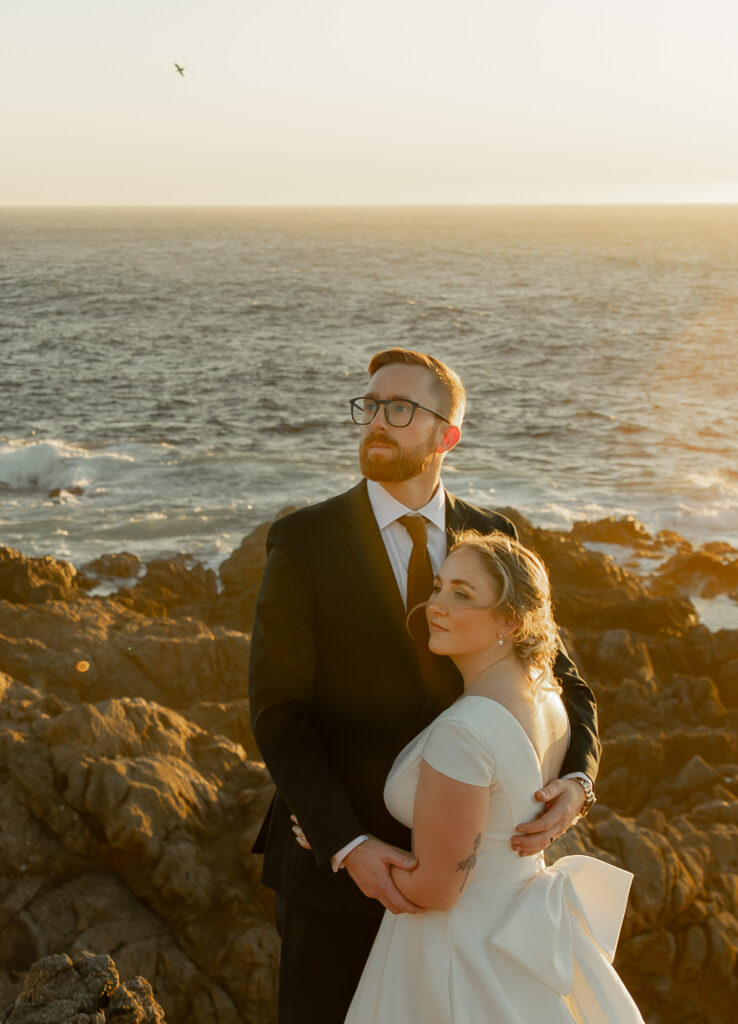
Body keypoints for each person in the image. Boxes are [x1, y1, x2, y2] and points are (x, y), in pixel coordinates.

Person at [249, 347, 600, 1024]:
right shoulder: (303, 540)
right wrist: (345, 843)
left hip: (468, 886)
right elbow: (277, 711)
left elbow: (561, 677)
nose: (377, 422)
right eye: (370, 405)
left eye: (401, 409)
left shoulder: (494, 535)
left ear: (448, 435)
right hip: (337, 872)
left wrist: (578, 782)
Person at [342, 531, 643, 1023]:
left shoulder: (464, 731)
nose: (435, 605)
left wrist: (350, 847)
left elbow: (439, 889)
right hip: (517, 930)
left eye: (462, 595)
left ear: (510, 619)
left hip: (455, 950)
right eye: (438, 587)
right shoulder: (547, 699)